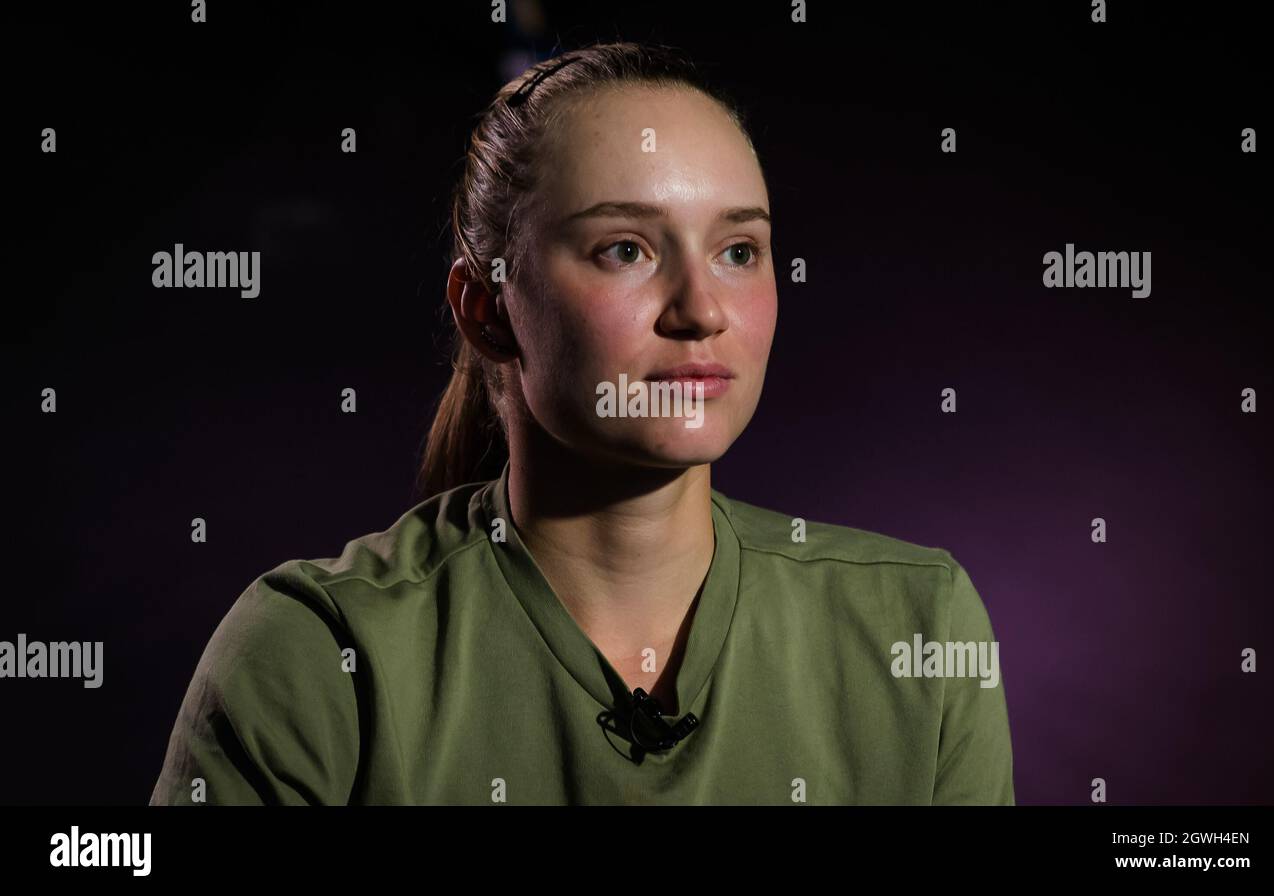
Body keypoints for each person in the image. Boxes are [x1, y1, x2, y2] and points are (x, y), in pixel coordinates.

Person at [149, 41, 1014, 805]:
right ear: (488, 308)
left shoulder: (919, 625)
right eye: (626, 249)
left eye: (738, 250)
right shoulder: (316, 654)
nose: (701, 310)